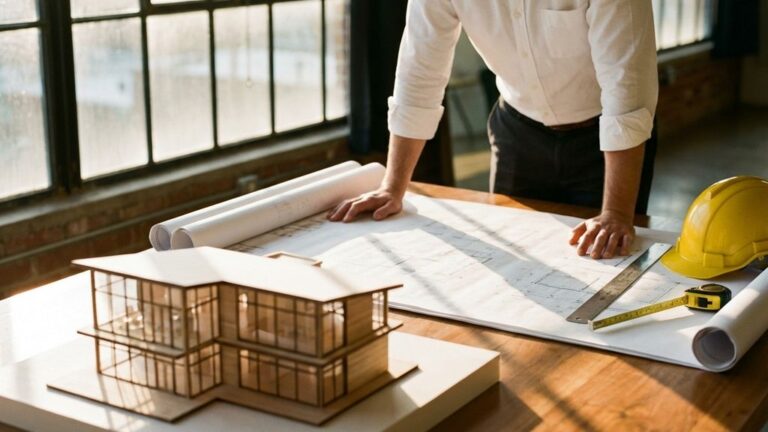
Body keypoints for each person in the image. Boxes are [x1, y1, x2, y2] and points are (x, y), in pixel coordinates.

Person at [328, 1, 658, 260]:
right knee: (517, 256)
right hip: (518, 134)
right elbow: (419, 75)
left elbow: (625, 90)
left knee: (608, 259)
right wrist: (392, 188)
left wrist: (616, 212)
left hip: (605, 143)